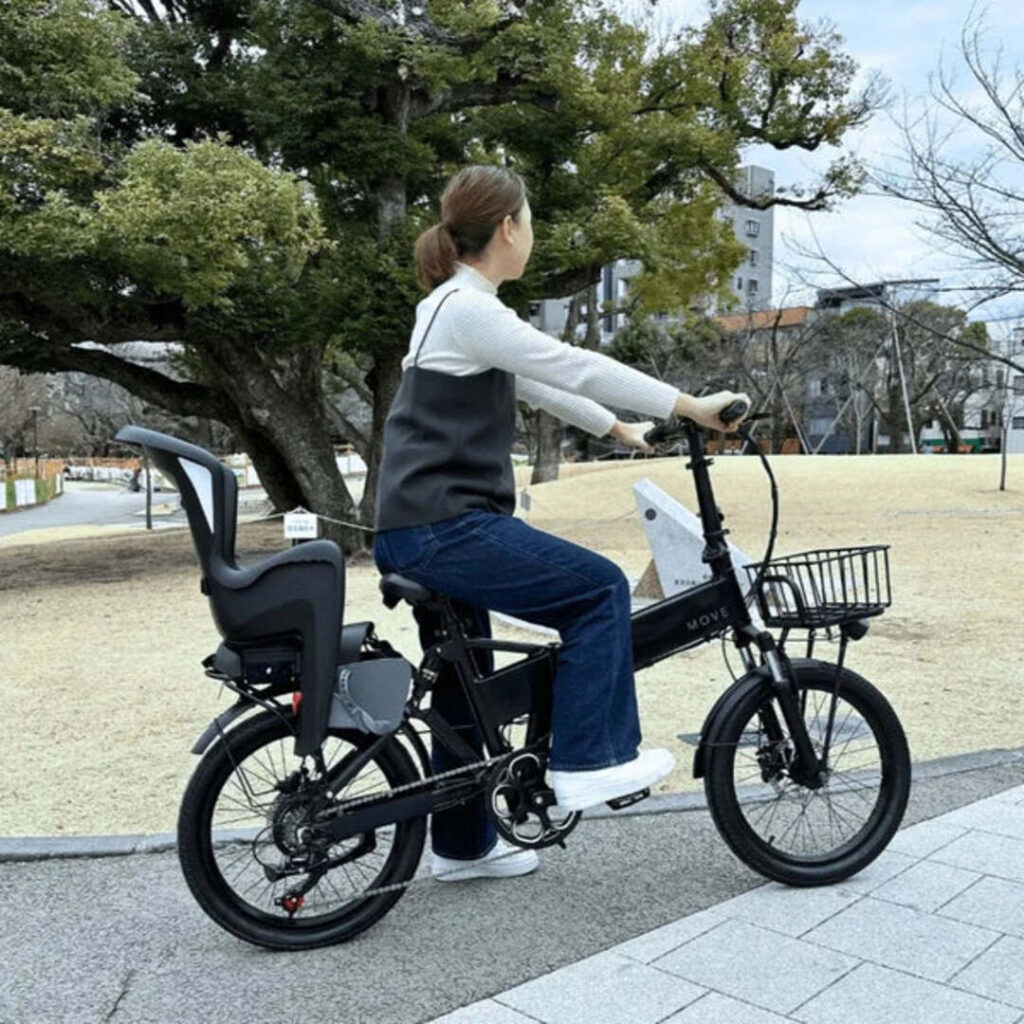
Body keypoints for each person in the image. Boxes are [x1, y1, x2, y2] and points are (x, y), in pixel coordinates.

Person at [373, 165, 749, 882]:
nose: (534, 236)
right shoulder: (469, 308)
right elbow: (572, 363)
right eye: (532, 223)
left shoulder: (448, 307)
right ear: (509, 228)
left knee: (466, 685)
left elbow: (541, 382)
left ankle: (462, 847)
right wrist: (690, 405)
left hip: (416, 526)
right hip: (446, 527)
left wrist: (622, 429)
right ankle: (587, 761)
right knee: (597, 589)